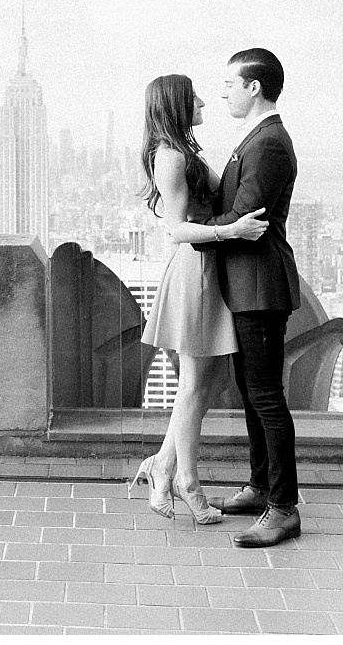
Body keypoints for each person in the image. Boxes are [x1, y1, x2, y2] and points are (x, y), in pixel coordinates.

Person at [128, 74, 268, 525]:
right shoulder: (170, 157)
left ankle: (162, 466)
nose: (204, 100)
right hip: (196, 270)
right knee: (194, 384)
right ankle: (187, 481)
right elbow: (175, 228)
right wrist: (232, 231)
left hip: (208, 269)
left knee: (205, 382)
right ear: (176, 104)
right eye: (194, 97)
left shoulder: (182, 152)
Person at [192, 48, 303, 548]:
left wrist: (188, 230)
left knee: (266, 398)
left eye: (230, 85)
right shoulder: (256, 140)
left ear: (254, 87)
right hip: (247, 286)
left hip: (259, 285)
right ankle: (261, 487)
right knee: (253, 394)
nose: (223, 93)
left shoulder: (268, 145)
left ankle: (283, 507)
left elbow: (245, 222)